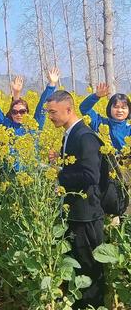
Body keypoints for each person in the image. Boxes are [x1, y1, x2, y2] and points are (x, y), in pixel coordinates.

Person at [46, 90, 105, 310]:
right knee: (79, 266)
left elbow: (91, 175)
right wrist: (59, 162)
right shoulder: (70, 134)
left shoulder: (85, 136)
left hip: (87, 215)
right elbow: (77, 166)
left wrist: (58, 176)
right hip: (76, 212)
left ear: (68, 109)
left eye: (53, 112)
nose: (50, 116)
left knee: (90, 268)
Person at [0, 68, 60, 136]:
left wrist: (51, 84)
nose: (18, 114)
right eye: (14, 112)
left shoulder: (34, 126)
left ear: (27, 112)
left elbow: (43, 105)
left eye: (22, 111)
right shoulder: (6, 125)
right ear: (11, 114)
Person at [79, 82, 131, 153]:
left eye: (123, 108)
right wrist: (96, 96)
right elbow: (84, 108)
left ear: (129, 110)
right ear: (109, 108)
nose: (119, 110)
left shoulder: (129, 129)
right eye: (116, 107)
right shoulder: (101, 123)